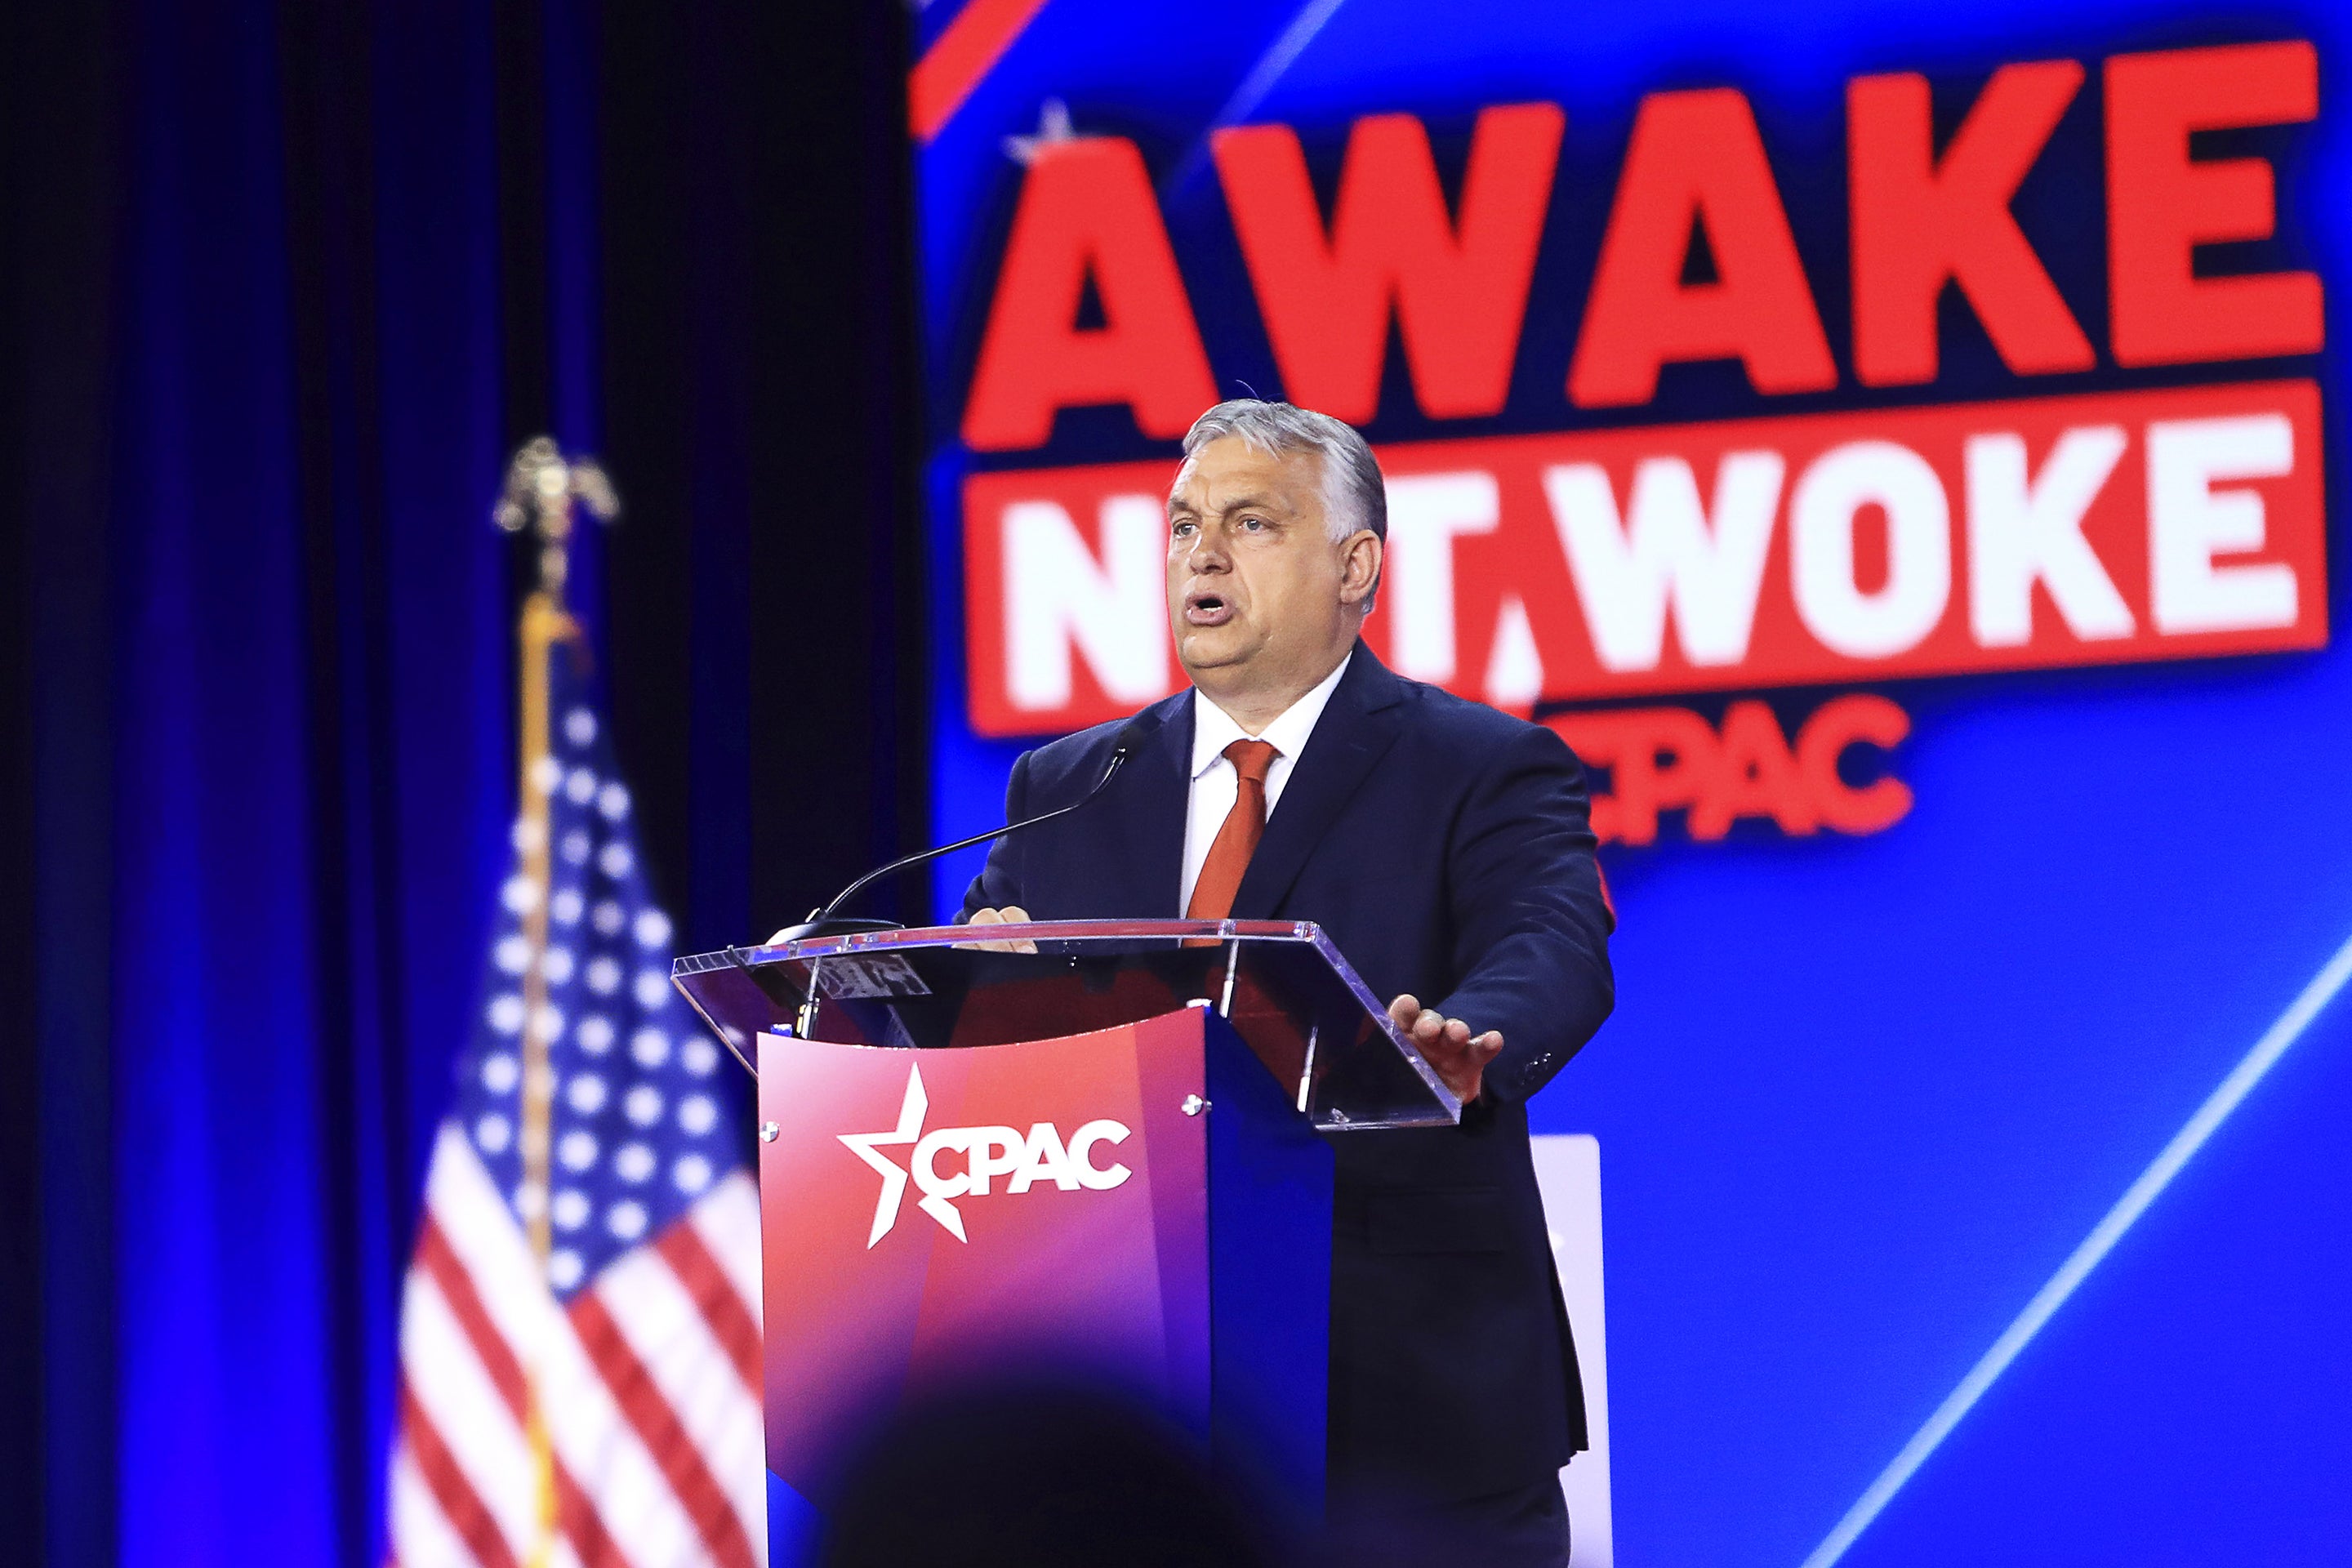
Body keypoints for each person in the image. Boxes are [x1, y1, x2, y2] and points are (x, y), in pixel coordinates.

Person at [963, 399, 1615, 1566]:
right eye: (1182, 526)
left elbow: (1553, 944)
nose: (1200, 555)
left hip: (1404, 1398)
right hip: (1126, 1393)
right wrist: (960, 991)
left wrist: (1470, 1039)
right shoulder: (1072, 782)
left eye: (1251, 523)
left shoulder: (1479, 763)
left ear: (1355, 565)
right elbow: (976, 984)